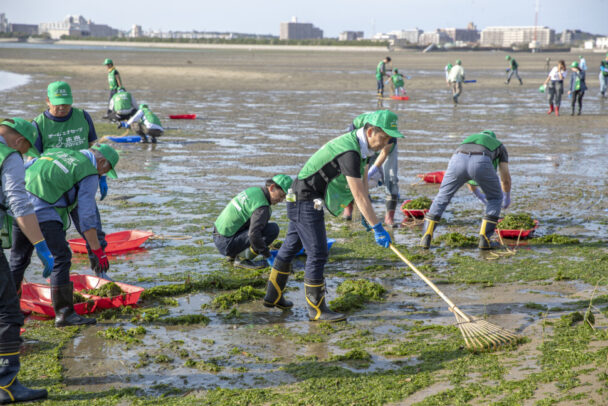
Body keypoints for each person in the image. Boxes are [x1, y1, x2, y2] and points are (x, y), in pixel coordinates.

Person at [263, 110, 401, 322]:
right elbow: (357, 194)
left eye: (389, 140)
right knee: (317, 253)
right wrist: (377, 227)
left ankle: (273, 296)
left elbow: (363, 184)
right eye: (383, 138)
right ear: (371, 131)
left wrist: (366, 216)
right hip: (305, 198)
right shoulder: (350, 152)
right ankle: (317, 310)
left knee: (290, 246)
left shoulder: (361, 148)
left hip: (301, 195)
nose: (385, 144)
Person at [10, 144, 119, 327]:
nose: (102, 175)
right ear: (101, 162)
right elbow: (86, 215)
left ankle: (8, 310)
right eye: (105, 171)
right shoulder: (89, 172)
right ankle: (64, 314)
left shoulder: (58, 152)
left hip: (19, 205)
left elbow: (26, 168)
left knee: (18, 259)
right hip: (41, 211)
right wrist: (97, 250)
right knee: (61, 257)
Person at [32, 81, 109, 279]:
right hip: (53, 190)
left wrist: (102, 176)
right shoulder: (39, 124)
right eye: (58, 103)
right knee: (55, 238)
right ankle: (57, 279)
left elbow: (95, 146)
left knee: (93, 229)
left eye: (66, 103)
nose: (62, 107)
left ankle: (100, 274)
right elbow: (33, 160)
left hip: (83, 183)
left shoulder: (83, 116)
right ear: (47, 100)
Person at [0, 118, 52, 404]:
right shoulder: (10, 156)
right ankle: (6, 386)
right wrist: (40, 245)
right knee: (7, 310)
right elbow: (19, 202)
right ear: (21, 142)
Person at [419, 130, 511, 250]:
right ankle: (485, 240)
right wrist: (506, 196)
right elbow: (505, 177)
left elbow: (468, 171)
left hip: (457, 159)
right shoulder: (499, 145)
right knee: (495, 198)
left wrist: (478, 194)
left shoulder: (468, 140)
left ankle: (425, 237)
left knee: (442, 197)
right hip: (481, 161)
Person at [213, 175, 292, 270]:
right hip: (226, 243)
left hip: (217, 234)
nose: (281, 200)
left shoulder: (254, 191)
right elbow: (254, 234)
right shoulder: (262, 208)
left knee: (257, 224)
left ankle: (234, 254)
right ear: (272, 188)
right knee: (272, 230)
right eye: (281, 195)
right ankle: (242, 259)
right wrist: (268, 256)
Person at [343, 112, 401, 226]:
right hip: (363, 143)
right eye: (384, 137)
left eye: (388, 137)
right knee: (351, 173)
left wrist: (372, 170)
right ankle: (348, 208)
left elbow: (384, 153)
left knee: (392, 178)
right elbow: (352, 152)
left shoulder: (391, 134)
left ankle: (389, 217)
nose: (386, 140)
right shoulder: (357, 124)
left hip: (385, 150)